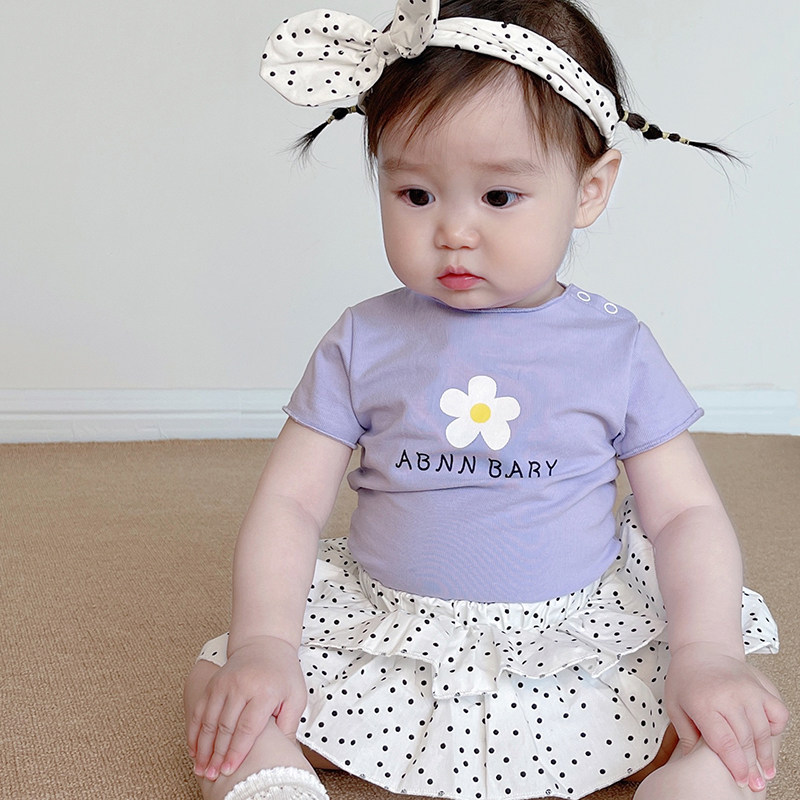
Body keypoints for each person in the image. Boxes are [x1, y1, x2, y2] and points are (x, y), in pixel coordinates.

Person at [183, 1, 787, 799]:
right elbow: (291, 503)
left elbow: (683, 514)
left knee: (719, 722)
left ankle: (691, 785)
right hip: (394, 627)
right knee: (226, 680)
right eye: (415, 194)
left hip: (568, 638)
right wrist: (266, 642)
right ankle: (274, 782)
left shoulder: (616, 348)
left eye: (499, 197)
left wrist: (708, 654)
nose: (454, 232)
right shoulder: (363, 339)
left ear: (590, 190)